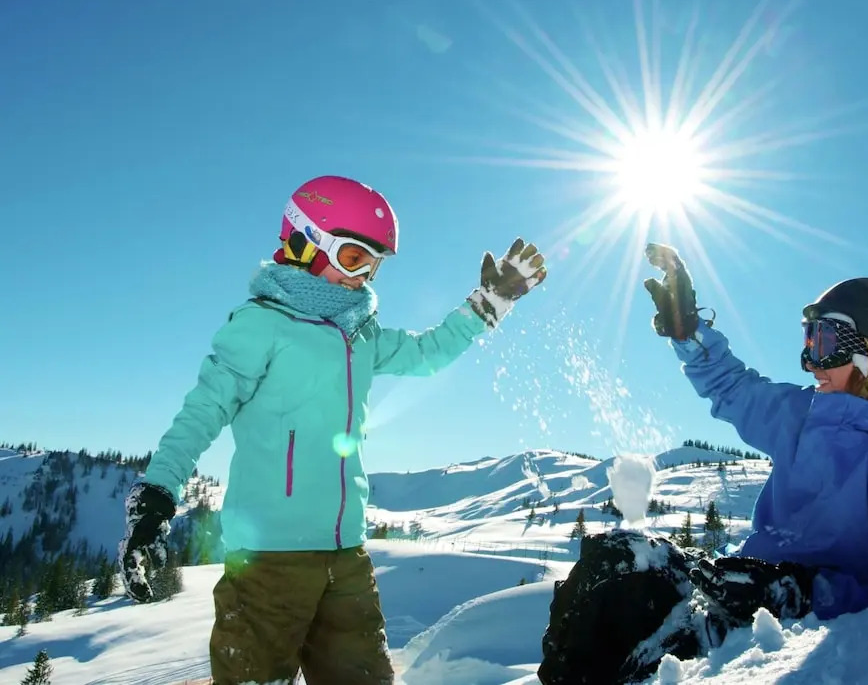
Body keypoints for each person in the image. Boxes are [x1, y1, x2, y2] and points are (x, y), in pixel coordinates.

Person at [118, 175, 547, 685]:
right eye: (352, 258)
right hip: (267, 562)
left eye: (374, 266)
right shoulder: (262, 325)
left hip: (346, 559)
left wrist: (488, 304)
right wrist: (157, 495)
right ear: (304, 242)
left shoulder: (360, 334)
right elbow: (202, 411)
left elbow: (427, 352)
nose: (362, 277)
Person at [538, 243, 868, 685]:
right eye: (810, 340)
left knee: (621, 630)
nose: (809, 362)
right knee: (616, 562)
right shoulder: (810, 415)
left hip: (788, 626)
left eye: (825, 344)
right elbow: (733, 388)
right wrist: (689, 332)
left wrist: (801, 591)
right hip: (740, 594)